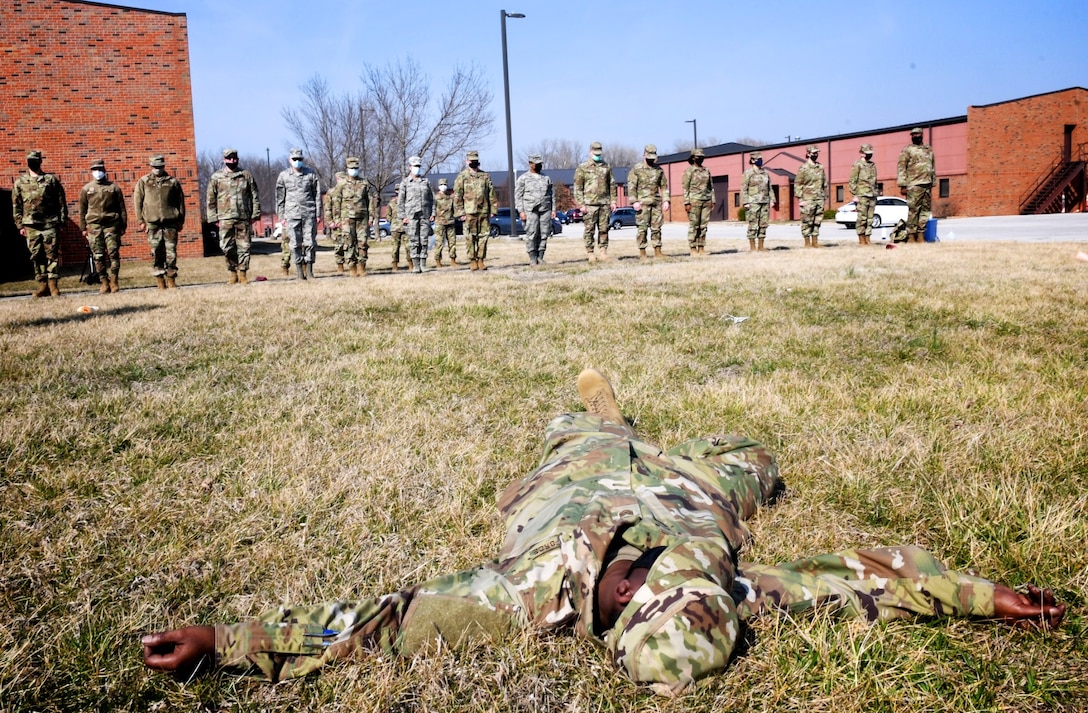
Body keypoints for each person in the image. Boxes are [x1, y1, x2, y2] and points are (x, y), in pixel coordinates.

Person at [142, 370, 1065, 695]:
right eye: (702, 576)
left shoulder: (524, 596)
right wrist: (984, 595)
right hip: (694, 484)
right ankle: (622, 419)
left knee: (577, 428)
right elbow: (871, 572)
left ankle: (603, 411)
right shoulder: (721, 592)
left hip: (573, 481)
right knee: (757, 451)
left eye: (684, 576)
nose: (699, 574)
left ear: (627, 599)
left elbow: (377, 624)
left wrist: (228, 640)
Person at [12, 149, 68, 298]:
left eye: (35, 160)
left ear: (40, 161)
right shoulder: (20, 182)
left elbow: (61, 202)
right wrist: (20, 225)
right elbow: (16, 205)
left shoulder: (50, 180)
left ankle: (53, 286)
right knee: (37, 255)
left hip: (50, 224)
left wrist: (62, 222)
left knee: (52, 255)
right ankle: (43, 285)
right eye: (30, 160)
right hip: (31, 225)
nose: (33, 162)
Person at [205, 148, 260, 285]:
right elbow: (210, 199)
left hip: (243, 217)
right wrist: (213, 218)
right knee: (226, 247)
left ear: (238, 159)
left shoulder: (246, 175)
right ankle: (233, 272)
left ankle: (242, 273)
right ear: (224, 160)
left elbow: (254, 196)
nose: (232, 161)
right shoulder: (216, 177)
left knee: (244, 247)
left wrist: (255, 214)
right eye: (229, 159)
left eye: (234, 159)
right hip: (224, 218)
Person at [133, 154, 186, 289]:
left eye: (160, 166)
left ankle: (171, 279)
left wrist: (180, 220)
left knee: (171, 252)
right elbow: (137, 202)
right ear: (151, 166)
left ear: (164, 166)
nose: (158, 169)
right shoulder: (144, 181)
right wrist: (141, 220)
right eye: (155, 167)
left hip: (170, 222)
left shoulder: (172, 182)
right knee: (156, 251)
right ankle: (160, 279)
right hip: (152, 223)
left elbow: (180, 202)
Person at [78, 159, 127, 293]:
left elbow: (122, 208)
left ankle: (114, 281)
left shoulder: (113, 188)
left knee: (113, 253)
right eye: (95, 170)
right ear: (91, 172)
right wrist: (83, 228)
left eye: (100, 169)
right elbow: (82, 210)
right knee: (98, 256)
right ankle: (104, 282)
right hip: (94, 226)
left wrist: (123, 225)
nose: (97, 172)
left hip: (112, 225)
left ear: (104, 171)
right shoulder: (86, 189)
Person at [276, 148, 321, 280]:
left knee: (310, 242)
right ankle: (299, 272)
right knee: (294, 244)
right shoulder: (283, 176)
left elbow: (317, 195)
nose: (297, 162)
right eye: (295, 159)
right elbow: (280, 198)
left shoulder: (310, 174)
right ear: (290, 160)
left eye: (299, 159)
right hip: (292, 214)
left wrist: (318, 213)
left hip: (309, 213)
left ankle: (309, 270)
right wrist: (281, 216)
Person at [327, 157, 375, 277]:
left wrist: (371, 217)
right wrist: (337, 220)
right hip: (346, 219)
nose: (354, 170)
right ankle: (352, 268)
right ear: (347, 169)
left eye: (356, 168)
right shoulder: (342, 185)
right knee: (349, 243)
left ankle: (362, 267)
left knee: (362, 243)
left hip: (362, 218)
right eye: (351, 168)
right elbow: (336, 203)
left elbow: (370, 201)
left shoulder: (364, 183)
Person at [573, 141, 618, 263]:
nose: (597, 155)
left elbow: (612, 185)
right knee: (589, 230)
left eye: (599, 153)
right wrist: (581, 204)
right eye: (595, 153)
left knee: (604, 229)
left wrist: (613, 201)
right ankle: (590, 253)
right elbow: (578, 187)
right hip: (589, 205)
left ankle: (603, 251)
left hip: (604, 203)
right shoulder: (583, 168)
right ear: (590, 152)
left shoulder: (606, 167)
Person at [453, 150, 498, 271]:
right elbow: (457, 196)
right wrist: (460, 213)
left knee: (483, 237)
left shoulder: (485, 176)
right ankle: (472, 260)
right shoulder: (462, 177)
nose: (474, 163)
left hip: (483, 211)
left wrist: (493, 209)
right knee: (470, 237)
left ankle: (481, 260)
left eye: (475, 161)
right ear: (467, 161)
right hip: (469, 212)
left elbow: (491, 194)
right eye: (471, 161)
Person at [627, 144, 670, 260]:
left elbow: (664, 186)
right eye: (649, 157)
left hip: (656, 203)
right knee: (642, 228)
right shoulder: (637, 169)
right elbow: (631, 187)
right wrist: (634, 201)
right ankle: (642, 253)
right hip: (642, 204)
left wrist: (666, 200)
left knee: (657, 228)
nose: (651, 160)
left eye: (653, 157)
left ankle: (658, 251)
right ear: (644, 155)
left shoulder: (659, 170)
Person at [897, 127, 936, 243]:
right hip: (914, 184)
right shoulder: (907, 150)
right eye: (913, 135)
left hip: (927, 183)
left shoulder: (928, 149)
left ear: (922, 135)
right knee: (913, 211)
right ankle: (911, 236)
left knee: (925, 211)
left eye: (918, 134)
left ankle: (920, 235)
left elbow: (932, 166)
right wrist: (902, 185)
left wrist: (933, 181)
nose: (916, 136)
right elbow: (901, 167)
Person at [514, 153, 554, 266]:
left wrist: (553, 209)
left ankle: (540, 257)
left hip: (545, 209)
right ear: (530, 164)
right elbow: (518, 196)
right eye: (536, 164)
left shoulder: (546, 178)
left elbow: (551, 194)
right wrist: (521, 211)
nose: (539, 165)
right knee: (532, 233)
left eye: (540, 163)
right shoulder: (523, 179)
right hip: (530, 210)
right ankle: (532, 258)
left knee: (544, 233)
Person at [398, 156, 435, 274]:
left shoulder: (426, 182)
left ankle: (423, 263)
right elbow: (401, 201)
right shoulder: (405, 183)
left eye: (418, 166)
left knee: (424, 239)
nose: (417, 168)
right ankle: (415, 265)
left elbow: (432, 199)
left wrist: (433, 213)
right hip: (411, 216)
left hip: (425, 214)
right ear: (410, 167)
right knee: (413, 240)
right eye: (415, 166)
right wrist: (403, 216)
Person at [682, 148, 715, 257]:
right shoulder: (689, 171)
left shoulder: (706, 171)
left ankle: (701, 248)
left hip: (706, 201)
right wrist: (686, 202)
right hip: (694, 201)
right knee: (694, 225)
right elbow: (685, 188)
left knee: (703, 226)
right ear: (693, 158)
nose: (700, 159)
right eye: (698, 157)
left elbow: (711, 187)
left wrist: (712, 200)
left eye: (702, 157)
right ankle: (693, 248)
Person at [740, 151, 775, 252]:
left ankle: (761, 246)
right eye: (757, 159)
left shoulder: (765, 173)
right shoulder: (748, 173)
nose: (760, 161)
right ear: (752, 160)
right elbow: (743, 188)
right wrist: (745, 202)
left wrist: (772, 199)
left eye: (761, 159)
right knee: (753, 224)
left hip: (764, 201)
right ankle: (752, 247)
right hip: (753, 202)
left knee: (763, 224)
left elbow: (769, 188)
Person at [795, 145, 828, 248]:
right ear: (808, 153)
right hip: (807, 199)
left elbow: (824, 183)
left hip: (819, 198)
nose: (815, 155)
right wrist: (800, 199)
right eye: (813, 153)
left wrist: (825, 196)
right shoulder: (803, 168)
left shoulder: (820, 167)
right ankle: (807, 243)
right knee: (807, 221)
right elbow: (798, 184)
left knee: (817, 221)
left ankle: (815, 242)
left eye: (816, 153)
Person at [848, 143, 878, 245]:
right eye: (867, 153)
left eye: (871, 153)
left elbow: (875, 181)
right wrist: (854, 195)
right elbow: (852, 181)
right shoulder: (857, 165)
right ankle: (861, 239)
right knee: (862, 218)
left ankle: (868, 238)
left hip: (872, 195)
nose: (870, 155)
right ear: (862, 153)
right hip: (862, 195)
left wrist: (876, 193)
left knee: (870, 219)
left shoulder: (872, 165)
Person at [432, 178, 457, 268]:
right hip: (440, 222)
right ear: (439, 186)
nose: (443, 186)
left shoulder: (450, 197)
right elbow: (433, 208)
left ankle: (453, 260)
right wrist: (432, 216)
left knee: (452, 242)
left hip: (450, 221)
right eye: (442, 184)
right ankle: (438, 261)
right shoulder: (435, 197)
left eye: (445, 184)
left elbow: (454, 208)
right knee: (439, 243)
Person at [386, 191, 406, 272]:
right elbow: (388, 215)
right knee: (395, 247)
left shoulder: (407, 202)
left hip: (406, 228)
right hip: (395, 228)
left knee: (409, 247)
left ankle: (411, 264)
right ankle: (395, 265)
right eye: (397, 190)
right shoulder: (391, 203)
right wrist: (393, 222)